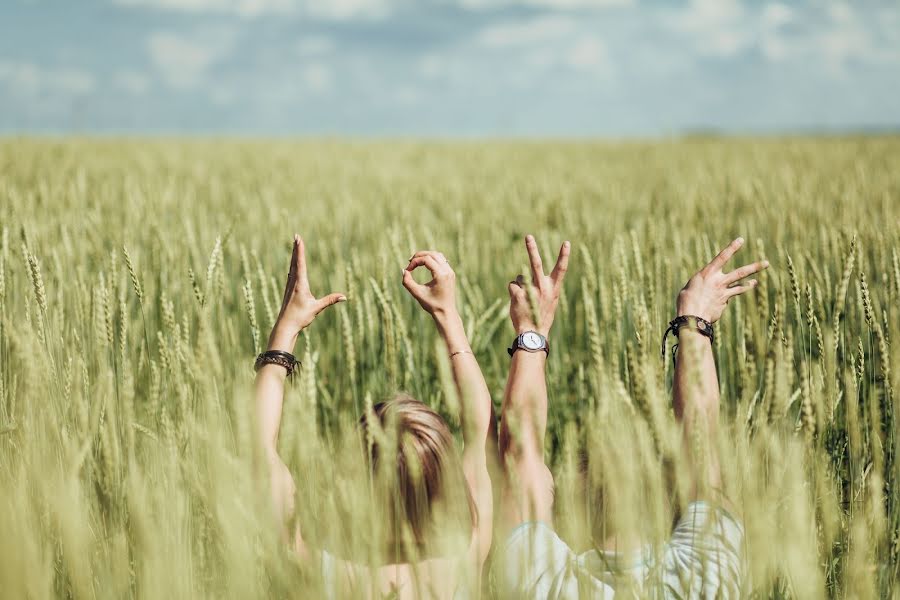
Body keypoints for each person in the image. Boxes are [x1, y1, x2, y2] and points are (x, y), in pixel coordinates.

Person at [498, 234, 767, 598]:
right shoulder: (705, 577)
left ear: (571, 514)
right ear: (664, 503)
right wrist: (695, 320)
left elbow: (520, 452)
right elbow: (702, 447)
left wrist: (532, 332)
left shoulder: (545, 584)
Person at [253, 235, 495, 599]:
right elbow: (480, 432)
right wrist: (448, 316)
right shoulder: (466, 562)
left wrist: (285, 333)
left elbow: (260, 452)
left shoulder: (328, 577)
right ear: (448, 488)